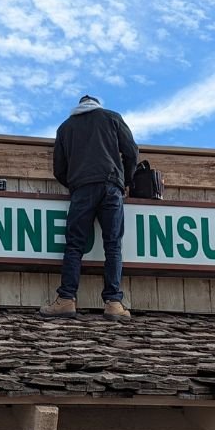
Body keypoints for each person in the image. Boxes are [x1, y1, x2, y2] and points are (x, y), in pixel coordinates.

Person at [40, 94, 139, 321]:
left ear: (79, 106)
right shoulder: (112, 118)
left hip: (82, 189)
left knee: (74, 245)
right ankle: (113, 303)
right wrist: (126, 181)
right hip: (111, 187)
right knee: (113, 245)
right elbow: (132, 151)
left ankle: (66, 300)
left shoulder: (65, 128)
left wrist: (75, 184)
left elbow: (59, 169)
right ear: (97, 104)